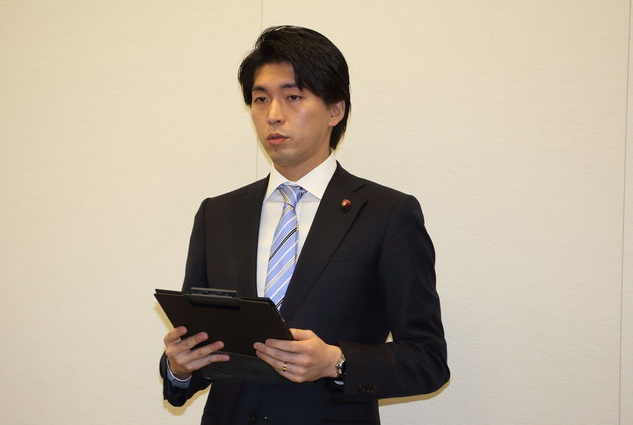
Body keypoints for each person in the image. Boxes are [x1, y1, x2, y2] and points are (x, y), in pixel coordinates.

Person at [160, 25, 450, 424]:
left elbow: (427, 360)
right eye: (261, 99)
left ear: (335, 110)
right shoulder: (217, 214)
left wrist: (337, 362)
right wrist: (179, 367)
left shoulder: (387, 214)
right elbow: (199, 347)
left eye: (293, 97)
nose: (273, 115)